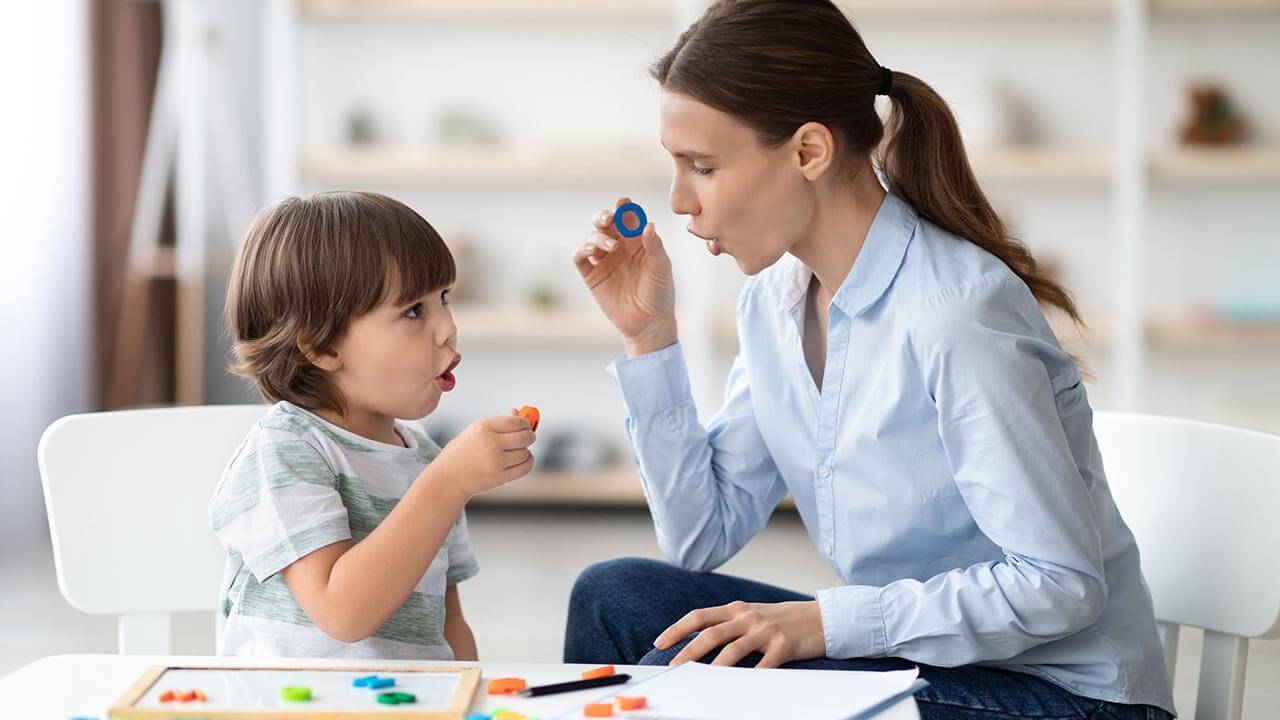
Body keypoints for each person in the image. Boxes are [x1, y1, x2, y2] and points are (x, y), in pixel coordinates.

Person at [565, 2, 1175, 718]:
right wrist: (648, 338)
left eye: (703, 166)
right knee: (614, 598)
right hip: (924, 662)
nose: (679, 201)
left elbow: (1061, 584)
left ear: (809, 152)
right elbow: (701, 534)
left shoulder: (956, 315)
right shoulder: (773, 304)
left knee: (691, 673)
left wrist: (826, 623)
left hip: (1063, 694)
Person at [210, 191, 536, 659]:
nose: (448, 328)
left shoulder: (426, 458)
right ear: (320, 347)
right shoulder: (285, 451)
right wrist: (448, 484)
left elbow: (450, 623)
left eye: (443, 299)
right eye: (412, 312)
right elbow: (342, 612)